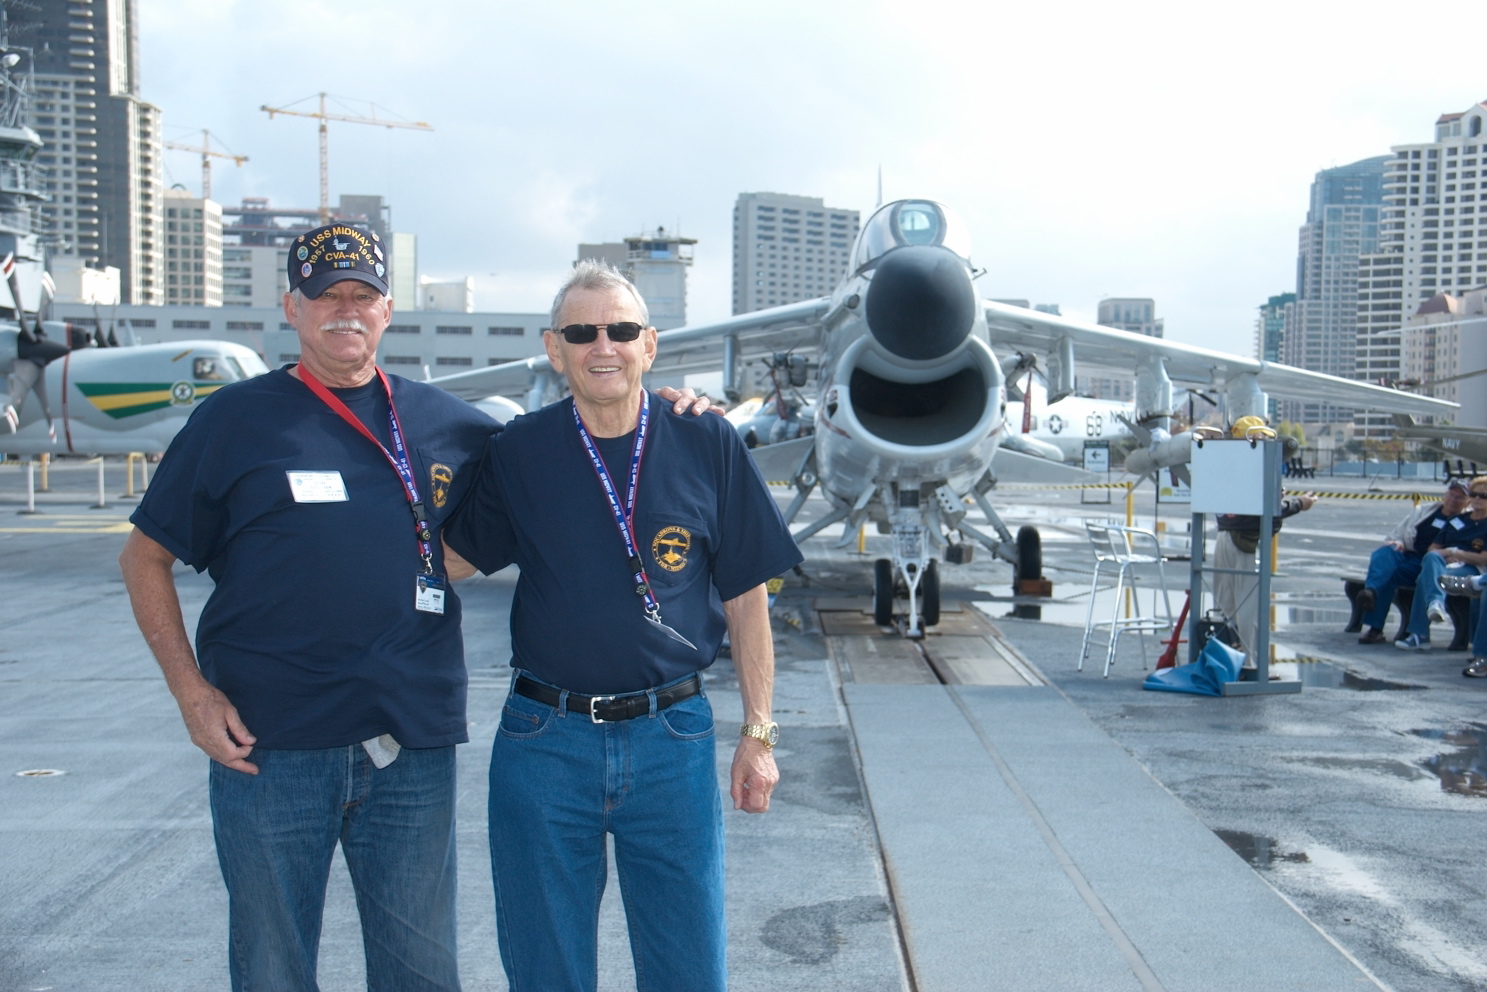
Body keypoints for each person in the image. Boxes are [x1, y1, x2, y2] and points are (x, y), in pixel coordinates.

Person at [117, 223, 713, 990]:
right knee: (271, 965)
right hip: (269, 747)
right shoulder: (235, 422)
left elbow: (579, 443)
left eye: (361, 295)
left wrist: (670, 407)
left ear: (387, 310)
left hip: (409, 750)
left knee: (421, 972)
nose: (344, 309)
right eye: (324, 294)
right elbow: (144, 558)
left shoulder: (451, 427)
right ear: (290, 308)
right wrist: (189, 691)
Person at [444, 260, 803, 992]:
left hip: (671, 738)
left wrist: (758, 732)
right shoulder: (519, 451)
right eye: (582, 332)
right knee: (546, 971)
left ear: (650, 345)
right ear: (554, 349)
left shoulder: (707, 442)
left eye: (621, 330)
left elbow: (745, 598)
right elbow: (449, 561)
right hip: (544, 743)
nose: (601, 345)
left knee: (687, 969)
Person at [1212, 416, 1316, 666]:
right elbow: (1268, 511)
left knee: (1223, 606)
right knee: (1250, 609)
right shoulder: (1251, 467)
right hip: (1243, 543)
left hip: (1223, 537)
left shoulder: (1225, 463)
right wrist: (1299, 504)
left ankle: (1220, 659)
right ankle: (1251, 665)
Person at [1356, 478, 1470, 644]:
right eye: (1451, 495)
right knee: (1386, 553)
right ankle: (1371, 595)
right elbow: (1397, 534)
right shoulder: (1424, 511)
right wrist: (1398, 541)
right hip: (1412, 555)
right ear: (1445, 495)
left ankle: (1376, 619)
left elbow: (1468, 548)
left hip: (1435, 564)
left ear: (1467, 502)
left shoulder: (1466, 522)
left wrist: (1455, 556)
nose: (1453, 500)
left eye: (1459, 497)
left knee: (1390, 576)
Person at [1396, 475, 1487, 651]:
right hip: (1444, 565)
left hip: (1473, 570)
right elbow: (1432, 549)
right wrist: (1446, 556)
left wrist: (1456, 553)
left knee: (1426, 578)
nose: (1477, 499)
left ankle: (1420, 635)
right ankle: (1434, 604)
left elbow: (1484, 558)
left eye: (1484, 496)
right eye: (1474, 494)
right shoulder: (1456, 521)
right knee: (1431, 562)